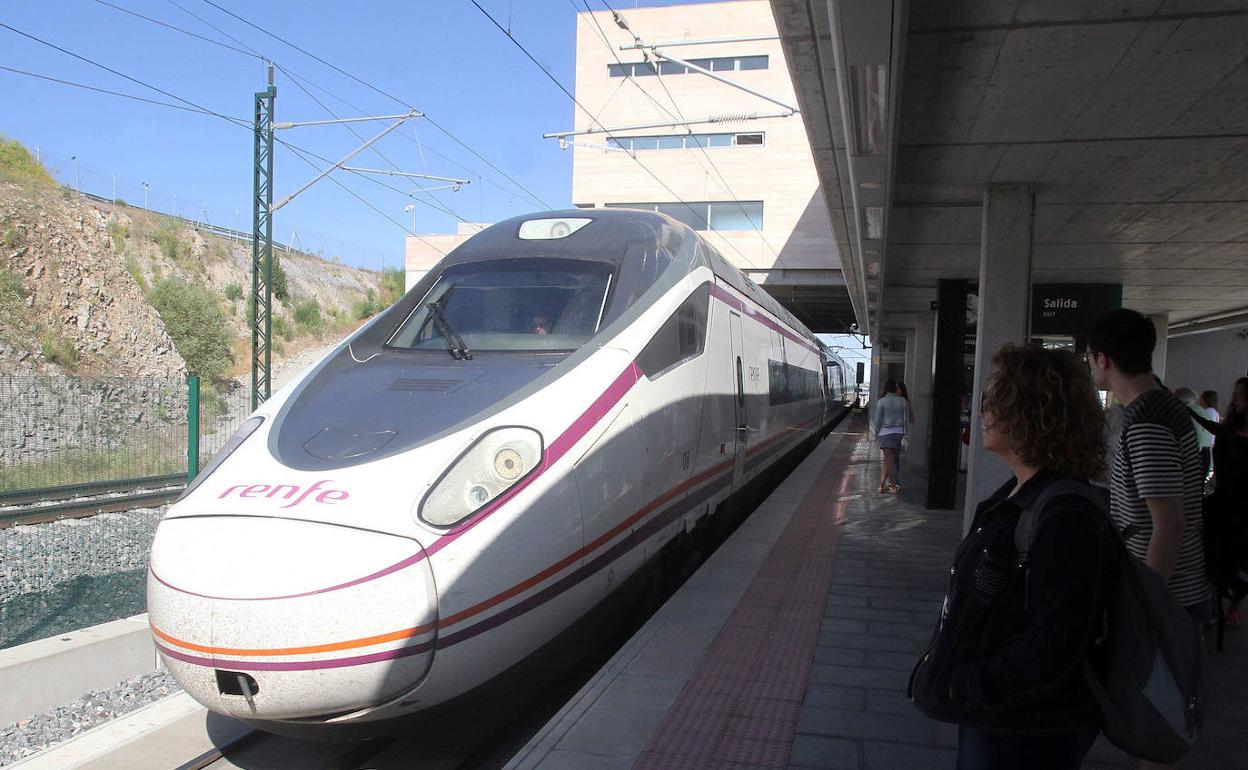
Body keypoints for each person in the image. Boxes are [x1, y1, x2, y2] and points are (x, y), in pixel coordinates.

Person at [910, 344, 1112, 770]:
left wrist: (969, 684)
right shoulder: (1022, 494)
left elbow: (1054, 642)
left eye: (992, 401)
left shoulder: (1065, 514)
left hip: (1024, 726)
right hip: (1004, 716)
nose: (981, 413)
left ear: (1029, 412)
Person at [1086, 309, 1207, 770]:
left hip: (1164, 596)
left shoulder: (1147, 423)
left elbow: (1168, 523)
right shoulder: (1158, 411)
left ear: (1102, 359)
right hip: (1169, 591)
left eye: (1091, 359)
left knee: (1154, 723)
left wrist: (1146, 604)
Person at [1193, 378, 1248, 627]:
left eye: (1241, 395)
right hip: (1224, 504)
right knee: (1213, 555)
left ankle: (1229, 603)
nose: (1236, 399)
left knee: (1233, 559)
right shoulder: (1228, 429)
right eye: (1236, 394)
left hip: (1238, 507)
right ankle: (1214, 604)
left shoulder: (1231, 431)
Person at [870, 380, 907, 493]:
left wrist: (875, 435)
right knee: (889, 460)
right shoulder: (903, 401)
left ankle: (893, 486)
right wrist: (906, 434)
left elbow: (877, 420)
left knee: (889, 460)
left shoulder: (882, 402)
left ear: (886, 389)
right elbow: (906, 419)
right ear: (896, 389)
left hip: (885, 433)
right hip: (898, 432)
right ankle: (881, 485)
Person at [1175, 387, 1215, 480]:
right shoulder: (1201, 410)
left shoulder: (1188, 411)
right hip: (1206, 452)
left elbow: (1197, 434)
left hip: (1196, 454)